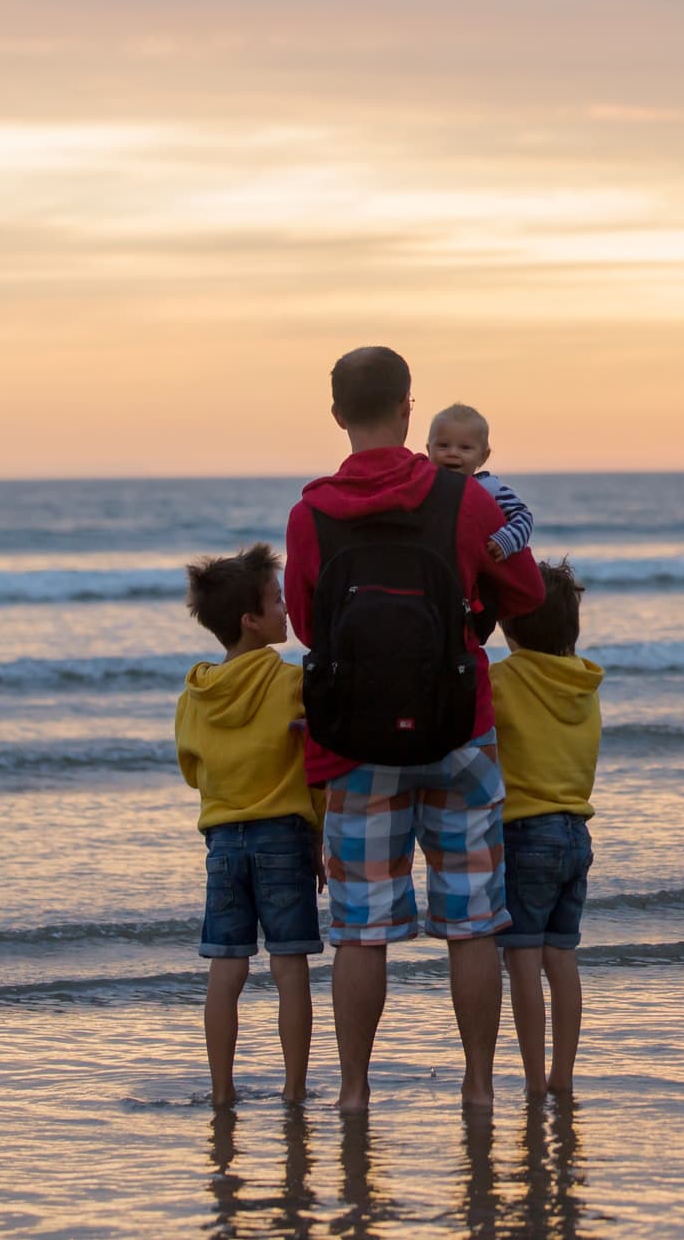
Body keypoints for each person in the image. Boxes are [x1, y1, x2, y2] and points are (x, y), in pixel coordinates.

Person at [285, 345, 545, 1113]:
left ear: (337, 415)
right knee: (472, 919)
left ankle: (356, 1092)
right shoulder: (464, 499)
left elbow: (306, 624)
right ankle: (478, 1085)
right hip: (459, 732)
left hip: (355, 743)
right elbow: (525, 591)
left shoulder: (311, 512)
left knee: (360, 930)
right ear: (408, 410)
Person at [175, 543, 325, 1106]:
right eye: (277, 601)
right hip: (284, 833)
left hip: (222, 840)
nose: (287, 609)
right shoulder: (290, 682)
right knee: (290, 968)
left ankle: (221, 1090)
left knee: (226, 969)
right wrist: (319, 834)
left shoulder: (196, 694)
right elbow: (315, 767)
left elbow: (193, 770)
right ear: (251, 620)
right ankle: (293, 1088)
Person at [490, 560, 603, 1097]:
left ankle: (534, 1079)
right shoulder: (582, 684)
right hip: (576, 832)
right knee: (562, 957)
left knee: (523, 960)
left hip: (524, 833)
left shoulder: (504, 679)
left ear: (508, 625)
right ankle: (563, 1076)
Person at [426, 402, 534, 564]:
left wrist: (506, 540)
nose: (453, 453)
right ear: (429, 450)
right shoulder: (427, 486)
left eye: (465, 448)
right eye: (443, 446)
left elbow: (523, 517)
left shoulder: (490, 488)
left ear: (483, 456)